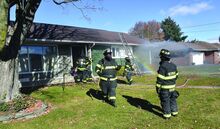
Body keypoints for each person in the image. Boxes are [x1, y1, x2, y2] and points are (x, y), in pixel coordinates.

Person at [156, 49, 179, 119]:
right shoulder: (174, 65)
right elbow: (176, 75)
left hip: (165, 89)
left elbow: (160, 78)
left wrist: (157, 87)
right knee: (173, 100)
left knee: (165, 101)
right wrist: (172, 81)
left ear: (162, 57)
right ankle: (174, 112)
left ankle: (167, 115)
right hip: (173, 88)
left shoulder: (162, 66)